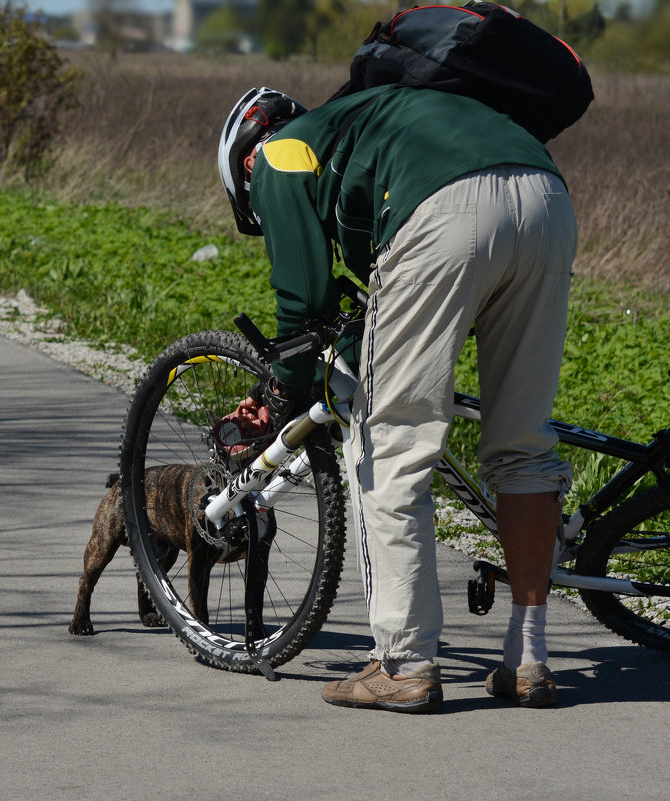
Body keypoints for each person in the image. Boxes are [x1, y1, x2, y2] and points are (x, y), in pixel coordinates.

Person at [217, 84, 576, 713]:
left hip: (445, 214)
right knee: (523, 445)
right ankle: (528, 659)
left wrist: (282, 397)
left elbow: (304, 306)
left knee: (390, 442)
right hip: (546, 197)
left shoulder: (278, 156)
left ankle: (405, 664)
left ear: (244, 164)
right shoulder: (365, 133)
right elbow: (362, 318)